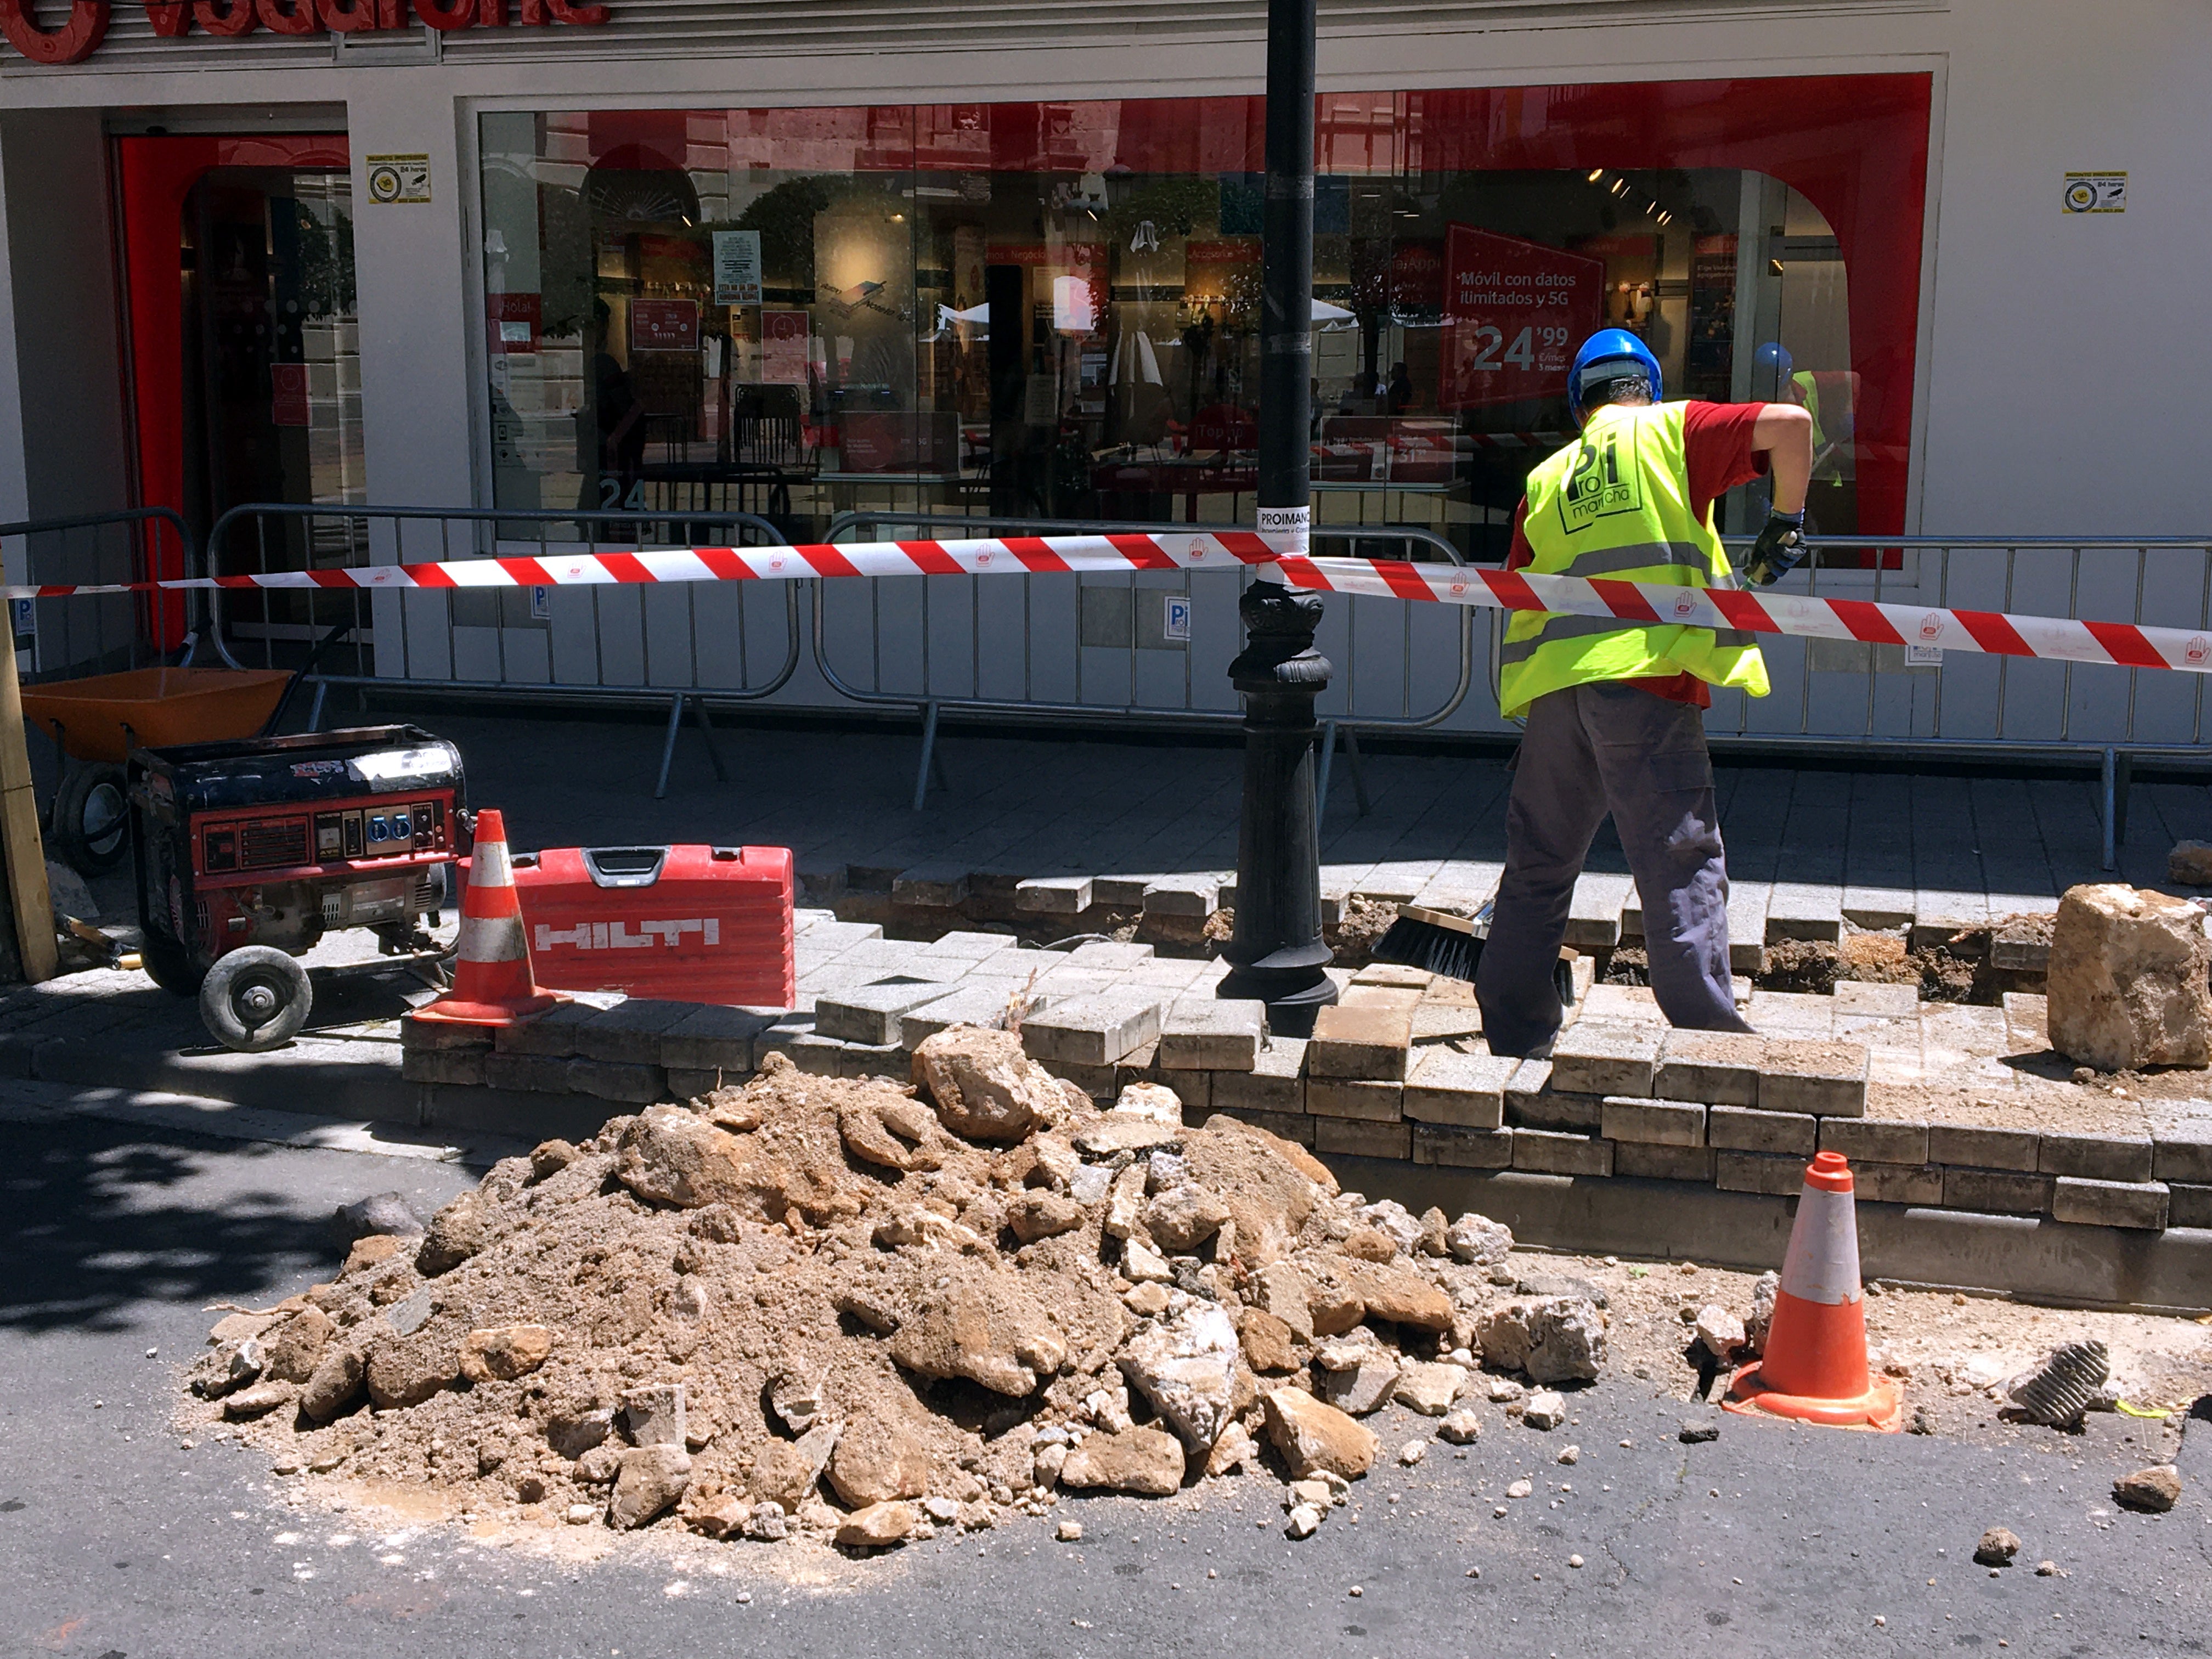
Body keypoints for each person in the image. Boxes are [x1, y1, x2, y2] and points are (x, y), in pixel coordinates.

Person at [1474, 328, 1814, 1057]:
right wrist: (1786, 523)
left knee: (1539, 864)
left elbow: (1521, 589)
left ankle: (1512, 1029)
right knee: (1680, 861)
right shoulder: (1671, 430)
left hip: (1559, 692)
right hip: (1646, 678)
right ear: (1646, 387)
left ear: (1579, 402)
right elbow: (1793, 427)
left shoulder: (1549, 475)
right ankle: (1710, 1042)